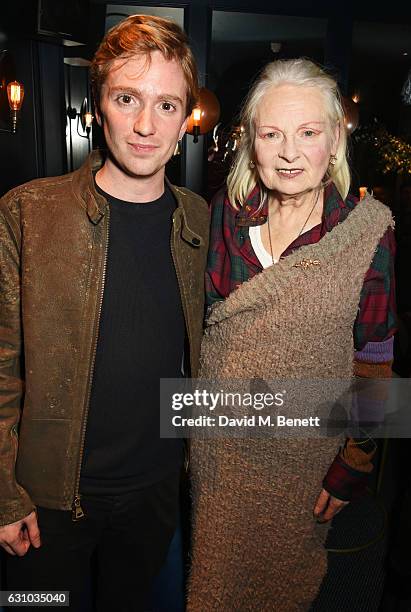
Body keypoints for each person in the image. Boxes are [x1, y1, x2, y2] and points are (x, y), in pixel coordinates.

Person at [0, 14, 209, 611]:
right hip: (45, 501)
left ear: (185, 119)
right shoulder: (28, 214)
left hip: (154, 493)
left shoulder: (201, 220)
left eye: (166, 105)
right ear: (98, 106)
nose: (146, 125)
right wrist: (3, 496)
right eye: (127, 99)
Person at [187, 58, 396, 611]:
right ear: (250, 141)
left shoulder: (367, 234)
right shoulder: (222, 219)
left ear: (334, 140)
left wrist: (353, 463)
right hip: (218, 457)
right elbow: (199, 340)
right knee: (212, 585)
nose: (288, 152)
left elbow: (375, 362)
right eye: (271, 133)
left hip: (305, 464)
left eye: (307, 133)